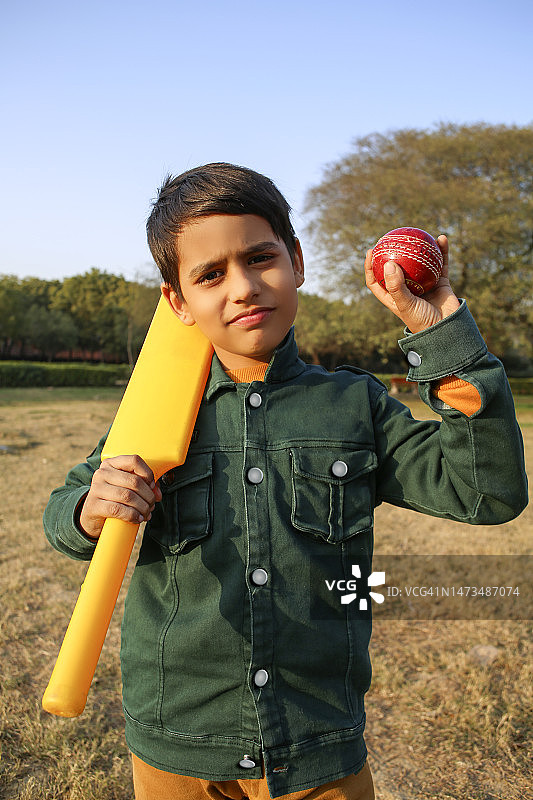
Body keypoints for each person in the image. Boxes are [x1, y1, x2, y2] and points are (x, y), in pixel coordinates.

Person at [43, 163, 528, 800]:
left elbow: (486, 492)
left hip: (318, 744)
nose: (242, 287)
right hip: (180, 746)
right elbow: (63, 516)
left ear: (297, 260)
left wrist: (437, 328)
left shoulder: (355, 405)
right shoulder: (152, 415)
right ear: (177, 302)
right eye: (209, 275)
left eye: (260, 257)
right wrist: (88, 508)